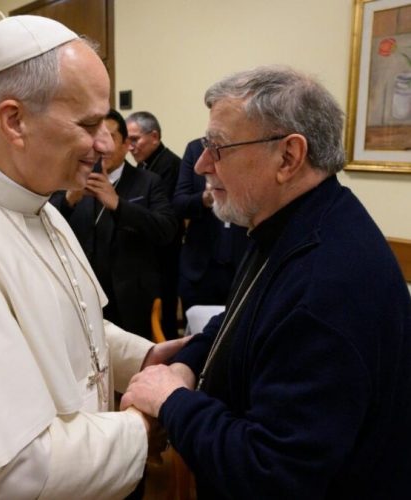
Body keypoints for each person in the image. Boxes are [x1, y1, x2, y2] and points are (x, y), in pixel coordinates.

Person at [0, 15, 187, 500]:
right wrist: (141, 427)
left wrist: (141, 356)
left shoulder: (41, 202)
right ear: (14, 121)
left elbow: (67, 324)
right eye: (89, 124)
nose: (105, 144)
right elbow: (9, 470)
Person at [121, 66, 411, 499]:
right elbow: (239, 317)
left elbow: (271, 472)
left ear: (288, 157)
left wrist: (173, 402)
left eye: (217, 147)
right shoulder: (287, 221)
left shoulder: (325, 284)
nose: (201, 164)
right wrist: (187, 363)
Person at [51, 109, 178, 339]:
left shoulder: (148, 181)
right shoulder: (70, 179)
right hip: (82, 297)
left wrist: (119, 204)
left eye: (108, 137)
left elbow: (166, 230)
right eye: (93, 138)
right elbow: (46, 223)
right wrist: (69, 200)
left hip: (132, 299)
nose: (99, 146)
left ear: (125, 144)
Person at [174, 137, 249, 314]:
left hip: (243, 266)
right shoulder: (195, 149)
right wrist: (204, 199)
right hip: (200, 270)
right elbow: (178, 204)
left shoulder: (250, 146)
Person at [126, 111, 182, 339]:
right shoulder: (143, 167)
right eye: (127, 140)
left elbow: (165, 217)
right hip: (147, 255)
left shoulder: (170, 166)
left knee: (164, 318)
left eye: (135, 139)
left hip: (165, 254)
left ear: (155, 137)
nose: (130, 147)